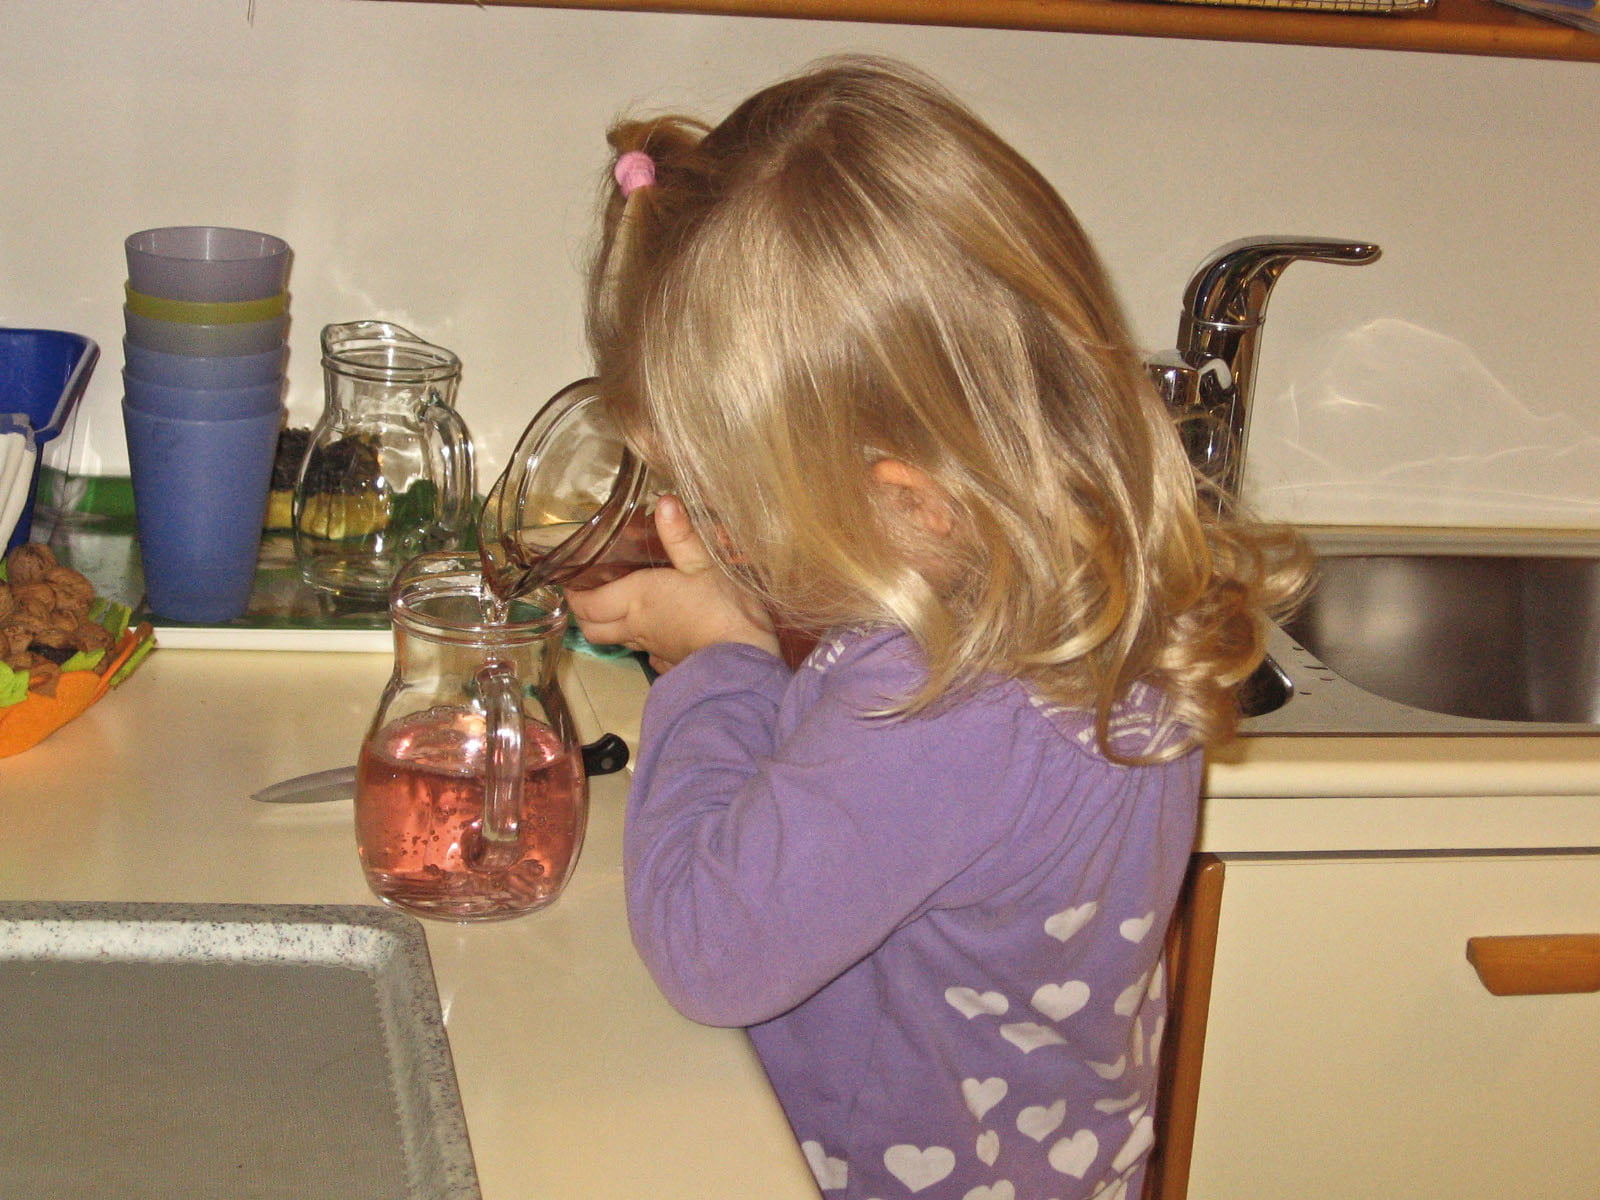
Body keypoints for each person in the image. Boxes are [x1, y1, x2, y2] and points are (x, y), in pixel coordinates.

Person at [567, 55, 1304, 1200]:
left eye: (731, 504)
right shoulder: (1083, 598)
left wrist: (718, 663)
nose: (715, 531)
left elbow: (708, 949)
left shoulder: (944, 698)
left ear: (908, 498)